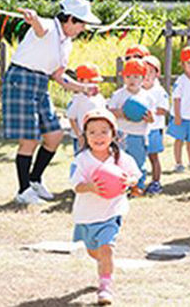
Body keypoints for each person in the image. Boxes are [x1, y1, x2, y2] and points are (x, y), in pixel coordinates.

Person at [2, 0, 101, 204]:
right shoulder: (48, 25)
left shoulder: (67, 43)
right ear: (70, 19)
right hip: (21, 78)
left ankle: (35, 179)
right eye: (82, 23)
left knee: (54, 135)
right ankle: (23, 190)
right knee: (30, 139)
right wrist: (34, 18)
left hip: (41, 82)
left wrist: (83, 88)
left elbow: (59, 76)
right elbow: (40, 28)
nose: (83, 28)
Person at [70, 109, 141, 305]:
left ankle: (105, 288)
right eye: (92, 132)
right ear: (85, 136)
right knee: (94, 252)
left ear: (113, 134)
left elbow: (135, 175)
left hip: (111, 212)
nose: (98, 136)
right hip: (86, 216)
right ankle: (102, 264)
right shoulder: (81, 160)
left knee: (107, 249)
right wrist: (91, 186)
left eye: (103, 131)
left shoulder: (120, 158)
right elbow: (76, 186)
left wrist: (130, 180)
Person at [107, 58, 155, 196]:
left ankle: (137, 187)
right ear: (123, 77)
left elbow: (152, 118)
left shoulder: (147, 97)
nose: (132, 80)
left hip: (138, 135)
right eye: (128, 76)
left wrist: (149, 118)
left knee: (137, 161)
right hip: (120, 134)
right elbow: (109, 112)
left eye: (136, 76)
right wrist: (121, 113)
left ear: (143, 78)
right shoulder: (118, 95)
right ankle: (118, 185)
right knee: (118, 160)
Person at [142, 55, 169, 194]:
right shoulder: (137, 89)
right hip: (139, 130)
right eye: (144, 72)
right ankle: (138, 183)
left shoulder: (159, 91)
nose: (146, 75)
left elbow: (163, 110)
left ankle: (156, 182)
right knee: (138, 156)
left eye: (150, 72)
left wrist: (147, 111)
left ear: (157, 74)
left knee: (154, 157)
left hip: (154, 129)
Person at [67, 64, 107, 155]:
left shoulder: (99, 98)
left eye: (96, 82)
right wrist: (80, 135)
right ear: (80, 81)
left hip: (96, 136)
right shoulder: (78, 98)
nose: (94, 85)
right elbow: (72, 118)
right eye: (91, 81)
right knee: (81, 161)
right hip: (82, 137)